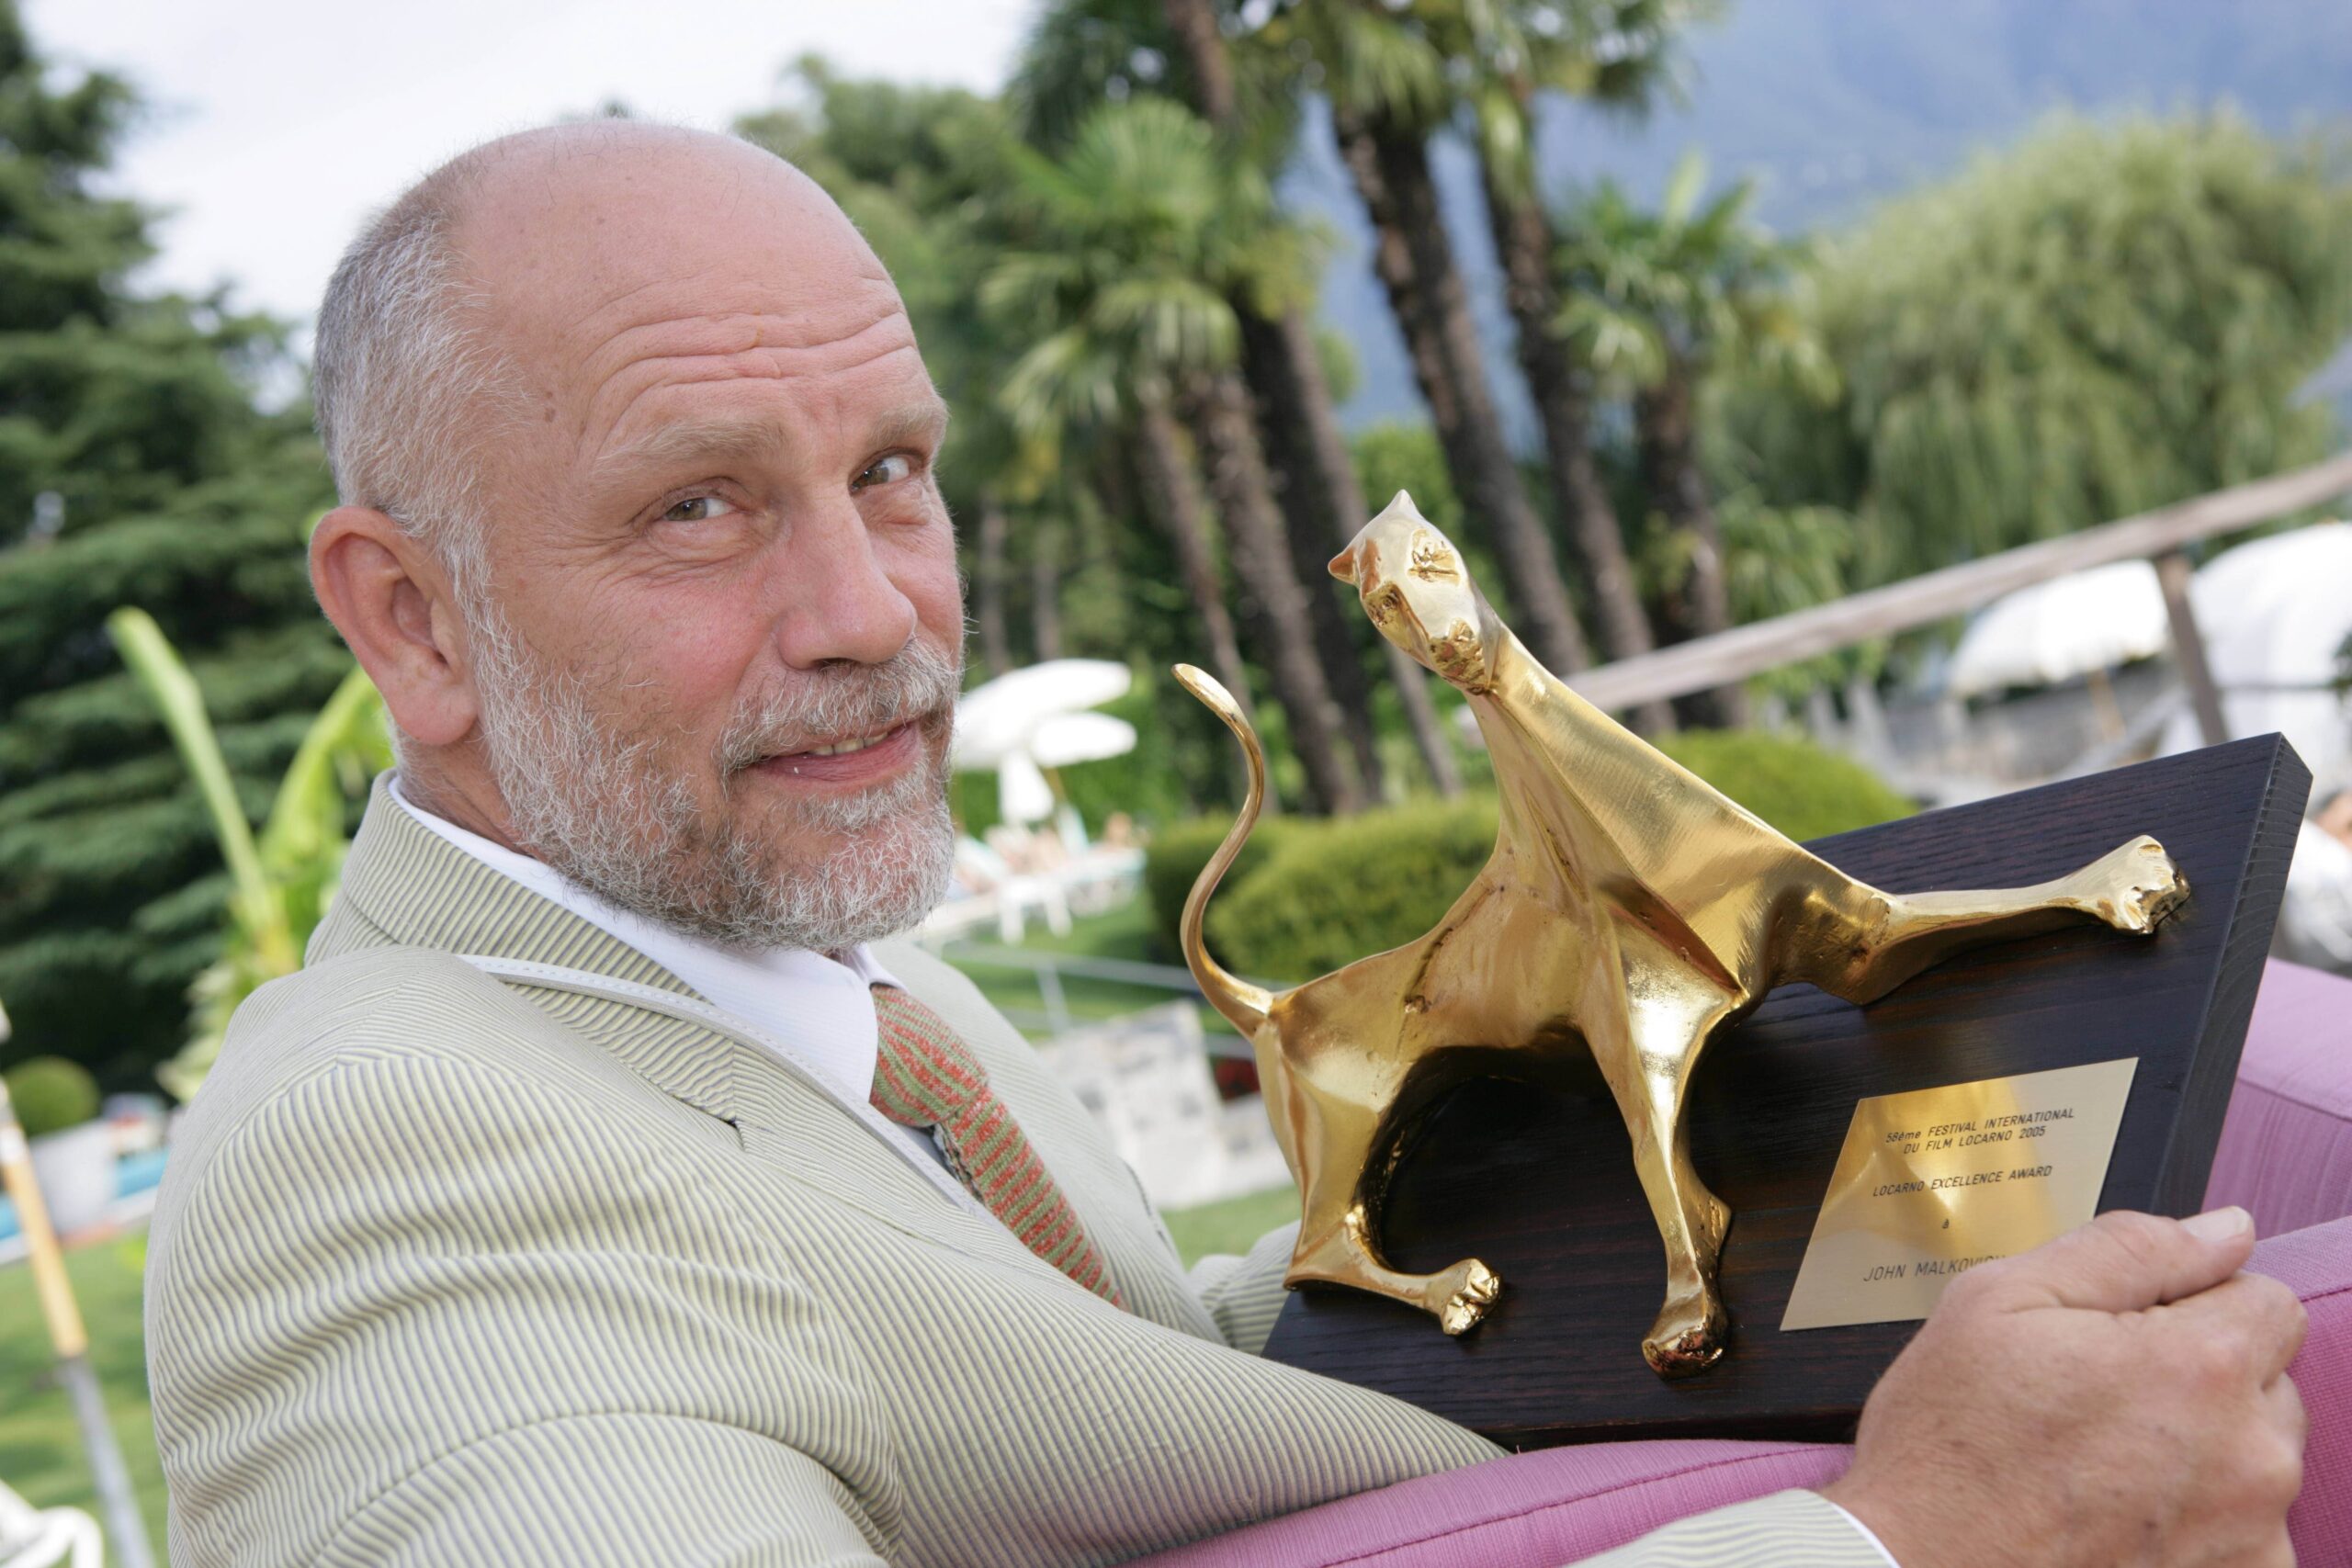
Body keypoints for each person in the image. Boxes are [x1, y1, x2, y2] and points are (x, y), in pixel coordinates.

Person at [143, 122, 2309, 1568]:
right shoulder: (377, 1142)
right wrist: (1901, 1537)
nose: (871, 614)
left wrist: (1575, 1212)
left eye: (890, 471)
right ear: (411, 620)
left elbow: (1068, 1408)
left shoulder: (865, 1010)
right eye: (696, 505)